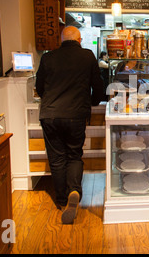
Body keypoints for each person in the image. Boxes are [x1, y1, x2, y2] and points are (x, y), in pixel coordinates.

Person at [36, 26, 104, 224]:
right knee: (74, 155)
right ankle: (74, 190)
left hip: (50, 115)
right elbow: (97, 85)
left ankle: (61, 200)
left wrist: (50, 102)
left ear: (61, 39)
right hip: (76, 114)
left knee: (57, 159)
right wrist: (92, 102)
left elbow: (40, 87)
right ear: (79, 39)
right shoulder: (87, 56)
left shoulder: (48, 57)